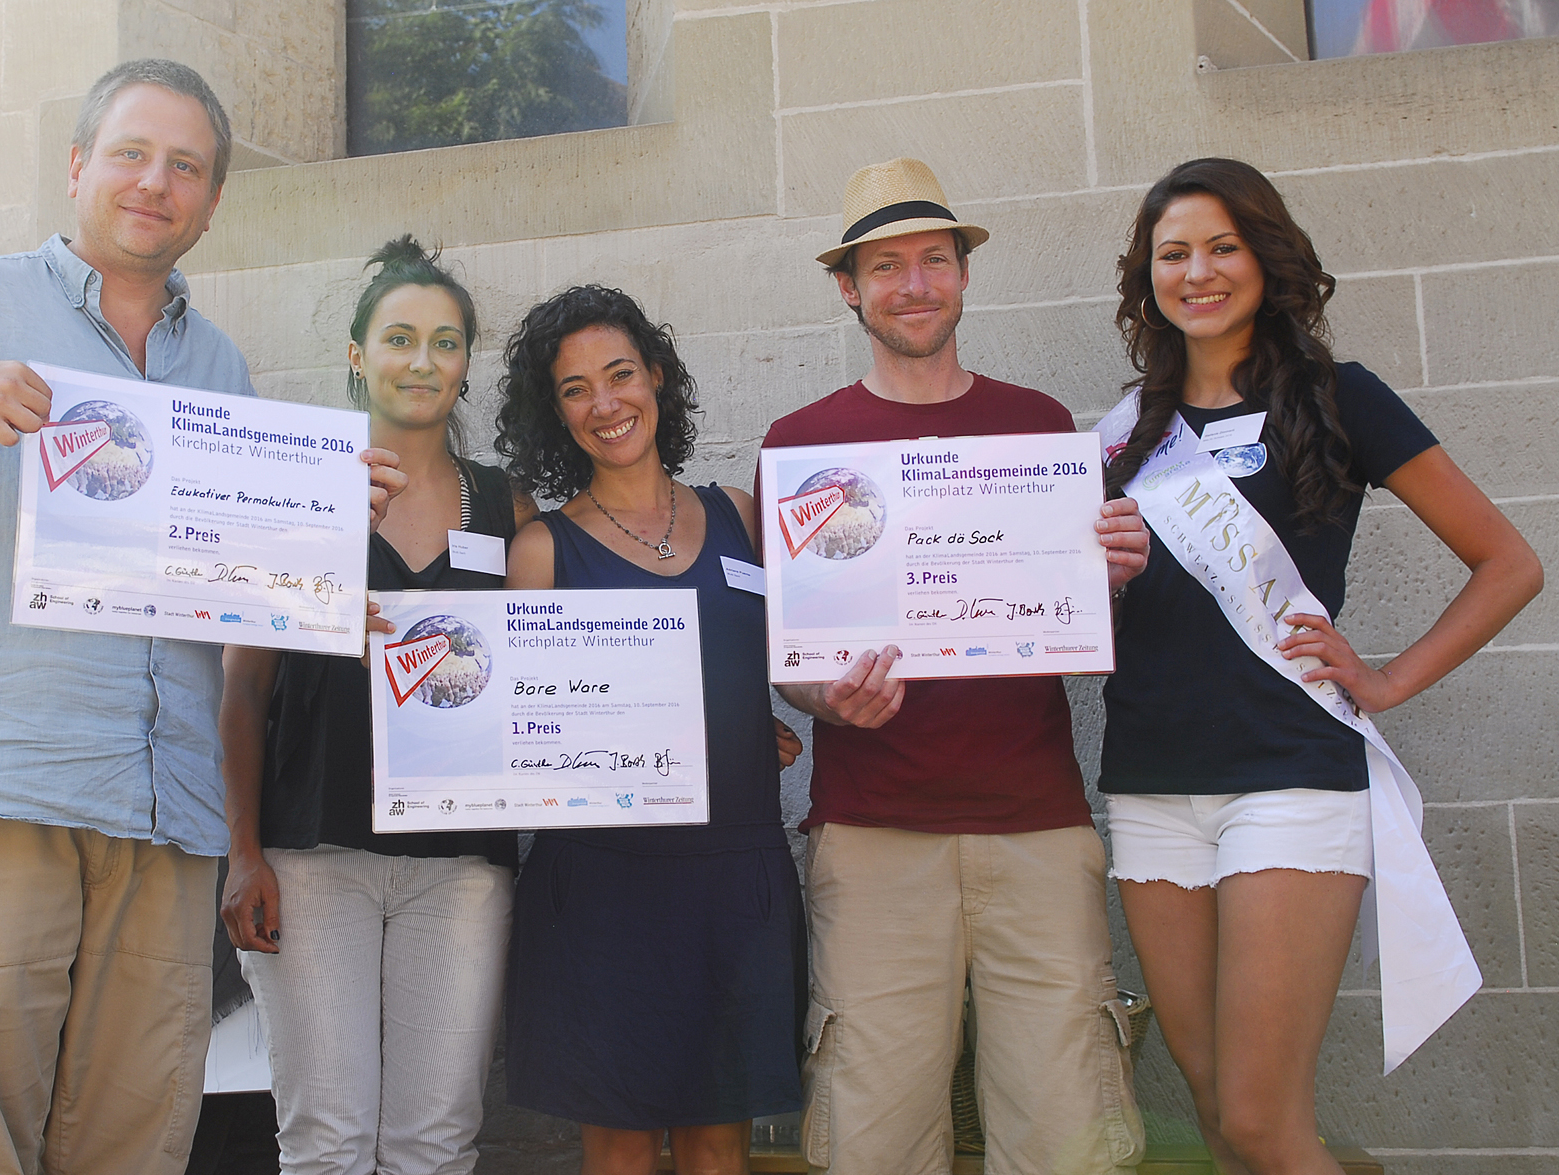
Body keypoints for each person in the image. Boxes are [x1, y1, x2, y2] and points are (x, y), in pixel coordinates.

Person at [0, 60, 402, 1175]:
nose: (156, 182)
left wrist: (312, 558)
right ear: (76, 167)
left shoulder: (218, 365)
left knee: (134, 1139)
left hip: (163, 819)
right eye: (132, 153)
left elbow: (224, 587)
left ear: (213, 202)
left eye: (186, 167)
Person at [1096, 157, 1542, 1175]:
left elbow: (1509, 563)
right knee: (1216, 1109)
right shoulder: (1127, 432)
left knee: (1263, 1121)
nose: (1198, 272)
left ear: (1267, 258)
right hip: (1152, 781)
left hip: (1290, 776)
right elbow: (1099, 616)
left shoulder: (1343, 398)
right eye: (1174, 253)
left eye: (1222, 247)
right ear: (1148, 277)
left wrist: (1388, 678)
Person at [757, 157, 1151, 1175]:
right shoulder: (801, 448)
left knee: (1067, 1143)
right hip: (873, 836)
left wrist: (1110, 572)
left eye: (934, 259)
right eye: (886, 266)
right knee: (873, 1144)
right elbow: (791, 664)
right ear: (848, 287)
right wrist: (825, 699)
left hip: (1038, 829)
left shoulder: (1040, 428)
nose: (915, 284)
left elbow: (1073, 624)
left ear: (965, 274)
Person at [219, 236, 534, 1175]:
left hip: (462, 864)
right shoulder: (298, 490)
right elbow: (242, 686)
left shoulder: (506, 507)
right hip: (311, 852)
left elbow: (554, 673)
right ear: (358, 355)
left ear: (466, 361)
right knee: (327, 1137)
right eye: (400, 338)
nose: (422, 360)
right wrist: (242, 850)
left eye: (445, 341)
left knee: (437, 1140)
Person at [496, 285, 807, 1175]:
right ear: (556, 412)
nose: (605, 404)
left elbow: (788, 657)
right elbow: (522, 727)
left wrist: (743, 718)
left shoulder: (742, 514)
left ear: (658, 376)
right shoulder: (542, 550)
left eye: (621, 374)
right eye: (576, 389)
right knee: (622, 1148)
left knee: (719, 1147)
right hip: (604, 883)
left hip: (735, 873)